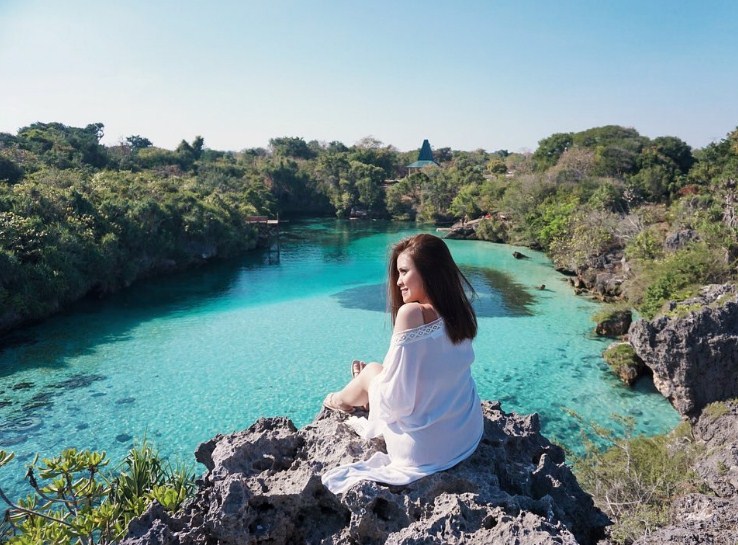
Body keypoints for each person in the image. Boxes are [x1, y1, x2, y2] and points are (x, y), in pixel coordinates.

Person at [321, 233, 484, 495]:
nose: (397, 282)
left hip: (426, 450)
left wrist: (375, 387)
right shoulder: (458, 311)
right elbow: (437, 368)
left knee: (373, 372)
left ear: (428, 272)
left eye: (404, 272)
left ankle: (340, 399)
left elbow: (397, 400)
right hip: (466, 432)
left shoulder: (412, 313)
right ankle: (363, 387)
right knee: (378, 375)